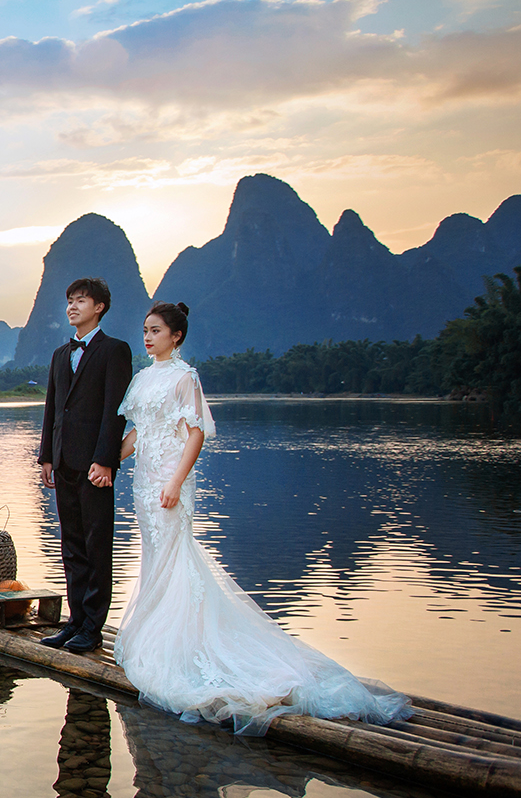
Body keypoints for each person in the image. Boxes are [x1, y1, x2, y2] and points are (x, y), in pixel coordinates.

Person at [113, 302, 412, 735]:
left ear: (176, 336)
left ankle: (184, 646)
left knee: (177, 557)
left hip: (169, 479)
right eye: (145, 330)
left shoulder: (185, 377)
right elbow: (139, 432)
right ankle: (157, 634)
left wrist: (177, 481)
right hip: (143, 482)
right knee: (155, 556)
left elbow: (195, 433)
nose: (147, 337)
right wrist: (108, 460)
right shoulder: (143, 379)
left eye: (156, 331)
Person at [38, 277, 134, 653]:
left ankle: (93, 627)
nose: (72, 307)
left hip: (95, 467)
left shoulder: (115, 351)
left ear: (100, 308)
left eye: (81, 301)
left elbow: (116, 412)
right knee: (72, 545)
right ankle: (74, 621)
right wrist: (46, 455)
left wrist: (106, 461)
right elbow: (52, 408)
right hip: (63, 462)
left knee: (97, 545)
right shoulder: (61, 354)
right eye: (69, 301)